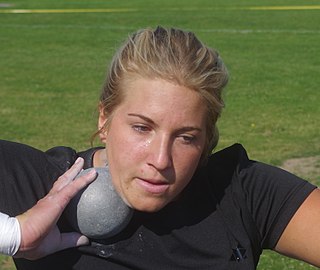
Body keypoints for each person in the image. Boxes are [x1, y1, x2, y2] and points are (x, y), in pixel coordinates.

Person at [1, 26, 320, 269]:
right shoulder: (44, 188)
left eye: (186, 137)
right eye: (141, 128)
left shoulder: (240, 194)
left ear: (207, 138)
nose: (160, 160)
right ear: (105, 119)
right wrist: (14, 234)